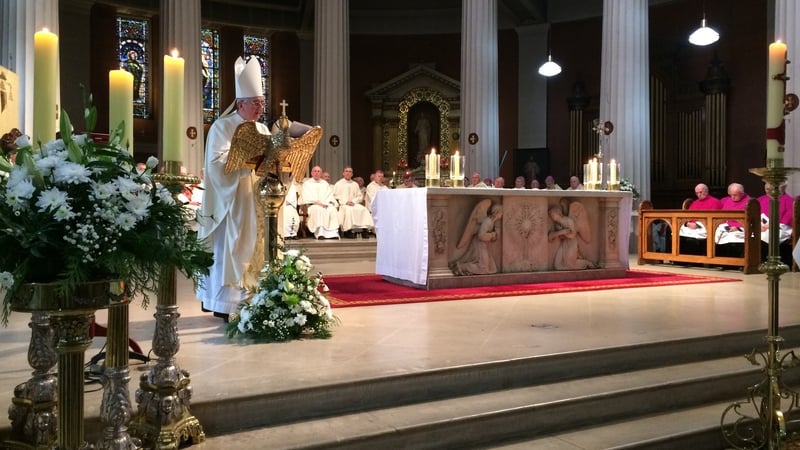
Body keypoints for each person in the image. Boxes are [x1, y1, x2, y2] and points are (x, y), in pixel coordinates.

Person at [196, 56, 269, 321]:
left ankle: (253, 296)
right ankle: (225, 304)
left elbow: (267, 160)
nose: (260, 109)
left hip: (255, 198)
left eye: (262, 103)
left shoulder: (261, 128)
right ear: (241, 104)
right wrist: (244, 157)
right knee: (231, 247)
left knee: (254, 247)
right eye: (256, 104)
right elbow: (215, 163)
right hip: (232, 199)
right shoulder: (222, 126)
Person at [449, 200, 503, 275]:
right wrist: (492, 235)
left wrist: (493, 235)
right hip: (479, 245)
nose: (502, 215)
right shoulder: (487, 221)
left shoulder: (491, 222)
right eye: (501, 213)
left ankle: (462, 267)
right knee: (484, 268)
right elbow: (481, 235)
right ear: (497, 212)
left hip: (482, 245)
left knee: (489, 267)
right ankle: (460, 267)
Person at [548, 203, 595, 270]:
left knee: (571, 263)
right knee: (557, 265)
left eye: (552, 214)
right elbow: (557, 237)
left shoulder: (568, 220)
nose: (551, 217)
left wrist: (563, 234)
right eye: (550, 215)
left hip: (572, 243)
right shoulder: (557, 225)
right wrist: (562, 232)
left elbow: (573, 235)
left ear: (557, 213)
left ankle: (587, 263)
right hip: (564, 244)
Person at [679, 183, 722, 255]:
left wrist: (697, 225)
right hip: (691, 226)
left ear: (706, 191)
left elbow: (714, 219)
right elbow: (686, 217)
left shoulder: (715, 202)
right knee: (678, 232)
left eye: (700, 192)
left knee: (693, 237)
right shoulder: (694, 203)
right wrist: (688, 224)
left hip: (705, 227)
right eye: (697, 193)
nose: (699, 194)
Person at [758, 181, 793, 265]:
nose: (768, 192)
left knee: (769, 235)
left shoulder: (790, 201)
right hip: (762, 227)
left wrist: (771, 226)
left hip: (781, 228)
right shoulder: (760, 199)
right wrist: (758, 225)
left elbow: (788, 218)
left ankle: (768, 260)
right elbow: (754, 214)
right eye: (766, 189)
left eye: (770, 189)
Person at [333, 166, 374, 239]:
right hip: (344, 204)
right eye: (346, 171)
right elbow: (335, 196)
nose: (348, 173)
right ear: (343, 173)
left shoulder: (355, 184)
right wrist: (346, 202)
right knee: (348, 210)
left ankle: (364, 230)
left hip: (354, 203)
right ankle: (348, 231)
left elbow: (359, 196)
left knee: (363, 209)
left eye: (350, 172)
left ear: (352, 174)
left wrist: (353, 201)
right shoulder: (338, 184)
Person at [301, 165, 340, 239]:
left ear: (321, 174)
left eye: (318, 171)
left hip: (325, 204)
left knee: (332, 209)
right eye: (315, 171)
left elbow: (329, 195)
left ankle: (332, 233)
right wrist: (318, 203)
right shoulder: (307, 184)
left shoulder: (324, 183)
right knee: (318, 209)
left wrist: (326, 203)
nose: (316, 173)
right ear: (312, 173)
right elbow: (306, 197)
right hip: (312, 205)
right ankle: (320, 233)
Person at [715, 182, 751, 257]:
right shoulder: (727, 200)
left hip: (742, 228)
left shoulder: (749, 202)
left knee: (732, 236)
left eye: (735, 195)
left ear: (742, 193)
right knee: (716, 233)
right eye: (731, 195)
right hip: (727, 226)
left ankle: (736, 262)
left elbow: (750, 219)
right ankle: (721, 260)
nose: (732, 197)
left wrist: (738, 228)